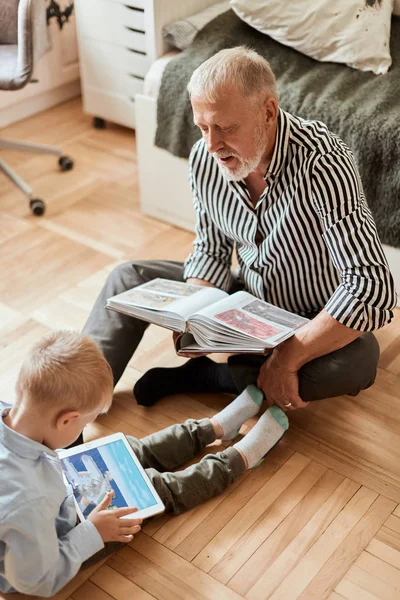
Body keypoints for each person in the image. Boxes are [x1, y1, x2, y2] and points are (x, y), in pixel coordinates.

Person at [83, 46, 396, 412]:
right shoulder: (206, 157)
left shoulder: (323, 162)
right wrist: (193, 309)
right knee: (126, 277)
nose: (212, 144)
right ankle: (77, 404)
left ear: (267, 112)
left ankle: (213, 378)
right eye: (203, 128)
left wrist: (288, 358)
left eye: (226, 128)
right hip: (246, 293)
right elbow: (211, 248)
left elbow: (372, 286)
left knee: (360, 361)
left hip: (310, 313)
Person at [0, 330, 288, 597]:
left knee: (132, 451)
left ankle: (213, 428)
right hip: (61, 540)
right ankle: (237, 459)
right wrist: (92, 533)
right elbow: (38, 578)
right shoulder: (27, 502)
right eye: (86, 423)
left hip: (57, 487)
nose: (83, 429)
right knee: (153, 489)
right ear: (66, 419)